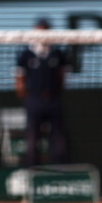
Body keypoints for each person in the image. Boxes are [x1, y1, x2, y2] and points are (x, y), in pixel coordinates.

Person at [14, 18, 70, 167]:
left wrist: (55, 93)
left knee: (58, 137)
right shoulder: (26, 54)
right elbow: (19, 79)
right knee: (32, 137)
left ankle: (61, 170)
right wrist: (28, 97)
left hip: (54, 100)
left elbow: (61, 77)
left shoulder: (58, 53)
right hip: (34, 101)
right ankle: (32, 170)